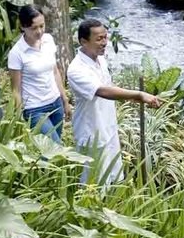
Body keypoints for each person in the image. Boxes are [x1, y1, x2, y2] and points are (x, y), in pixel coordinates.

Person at [67, 18, 160, 184]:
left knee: (113, 178)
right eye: (98, 39)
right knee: (93, 183)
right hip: (91, 132)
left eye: (105, 37)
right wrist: (138, 95)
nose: (104, 42)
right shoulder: (77, 69)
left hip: (108, 127)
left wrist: (131, 98)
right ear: (83, 41)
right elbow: (102, 90)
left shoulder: (100, 59)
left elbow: (108, 85)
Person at [8, 5, 71, 143]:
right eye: (34, 28)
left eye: (42, 26)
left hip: (55, 102)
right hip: (35, 109)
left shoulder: (48, 40)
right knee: (55, 146)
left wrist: (64, 99)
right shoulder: (17, 53)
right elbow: (16, 90)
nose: (39, 31)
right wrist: (18, 117)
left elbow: (54, 72)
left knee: (48, 153)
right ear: (23, 27)